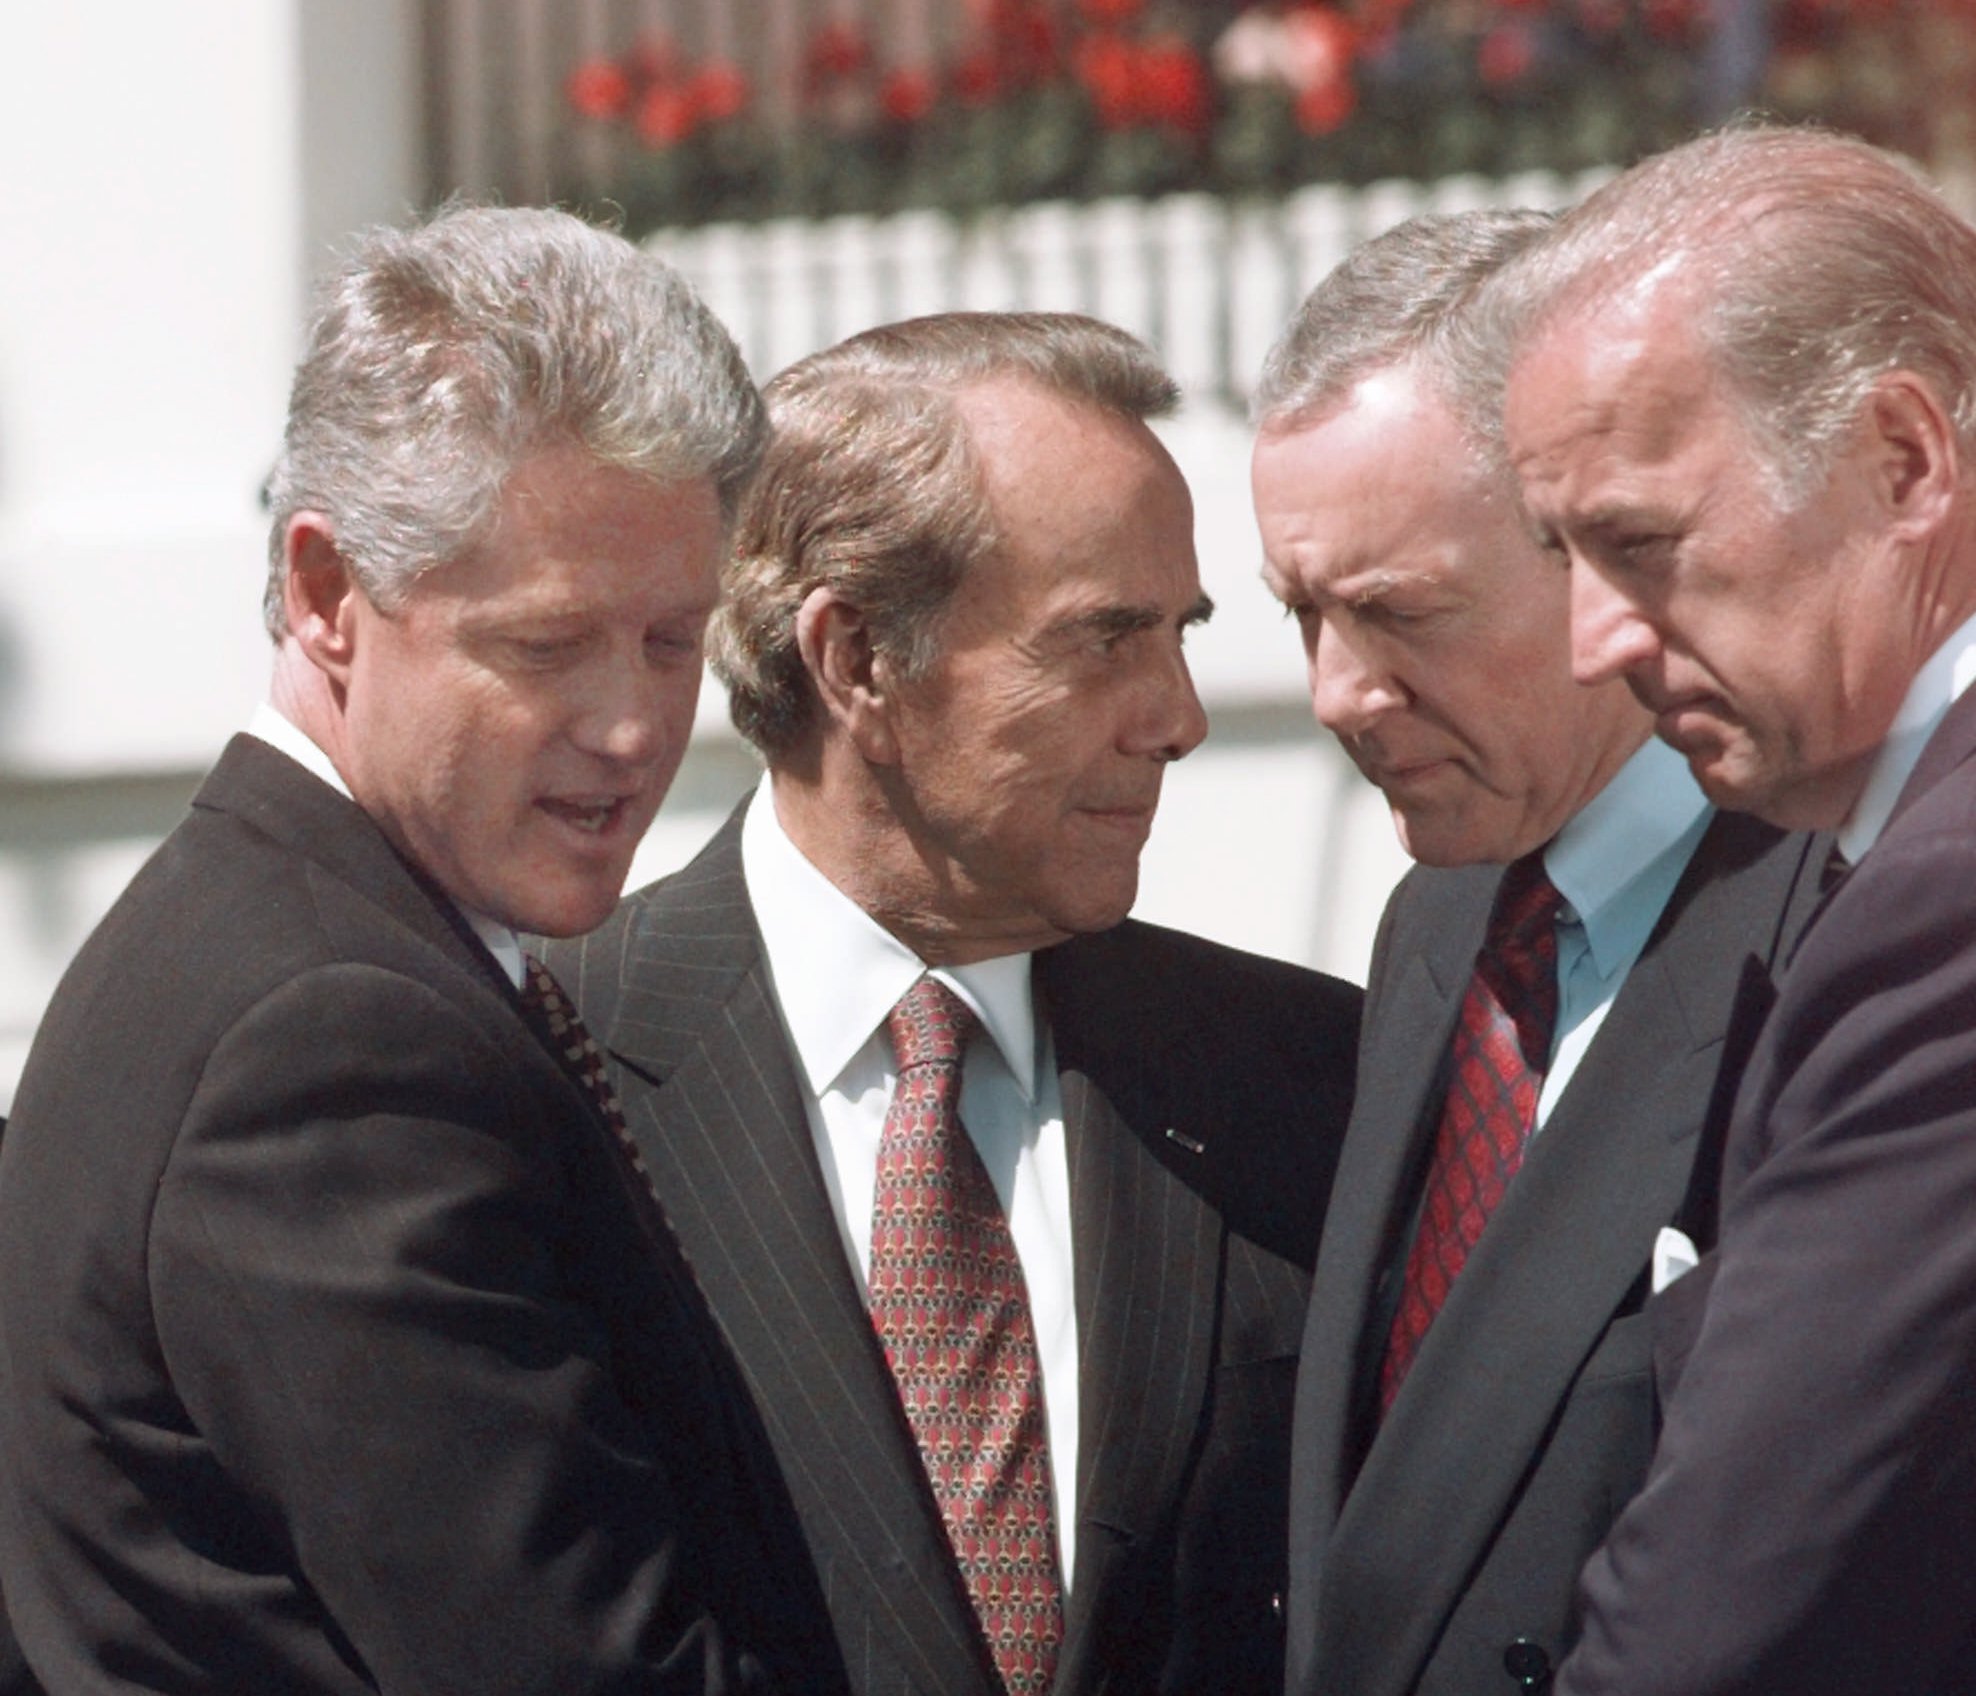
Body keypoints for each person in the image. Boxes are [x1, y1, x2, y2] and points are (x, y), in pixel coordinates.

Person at [0, 205, 847, 1694]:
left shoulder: (280, 935)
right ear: (328, 596)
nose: (633, 727)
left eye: (673, 641)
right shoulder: (328, 1043)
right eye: (545, 646)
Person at [544, 310, 1361, 1696]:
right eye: (1104, 641)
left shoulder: (1315, 1075)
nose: (1177, 717)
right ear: (858, 659)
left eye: (1180, 636)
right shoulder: (543, 1072)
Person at [1249, 211, 1825, 1696]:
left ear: (1600, 560)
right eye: (1303, 614)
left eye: (1396, 613)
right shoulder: (1439, 924)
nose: (1336, 692)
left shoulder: (1840, 923)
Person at [1492, 124, 1976, 1695]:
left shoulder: (1944, 904)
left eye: (1642, 544)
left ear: (1905, 462)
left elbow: (1718, 1617)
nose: (1596, 641)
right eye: (1566, 557)